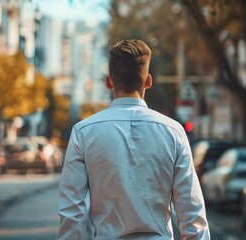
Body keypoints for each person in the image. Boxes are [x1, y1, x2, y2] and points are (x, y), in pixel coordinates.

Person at [57, 39, 210, 239]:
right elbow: (192, 216)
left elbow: (72, 214)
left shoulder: (83, 132)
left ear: (109, 81)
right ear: (148, 81)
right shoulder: (174, 132)